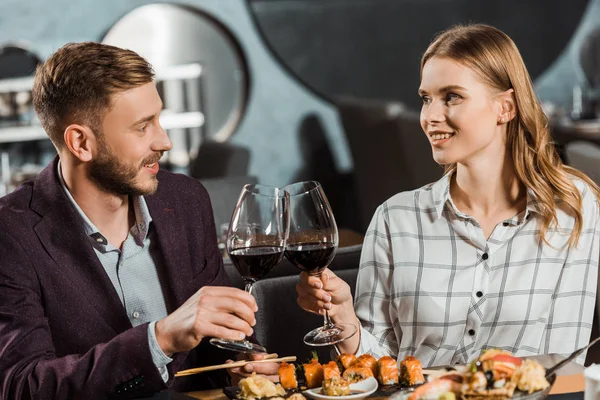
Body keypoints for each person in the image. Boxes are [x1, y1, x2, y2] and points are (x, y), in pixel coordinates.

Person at [297, 24, 600, 366]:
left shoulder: (570, 209)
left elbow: (564, 361)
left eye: (452, 96)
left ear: (506, 107)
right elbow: (376, 367)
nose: (430, 117)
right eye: (426, 99)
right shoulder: (394, 218)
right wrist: (346, 320)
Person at [0, 42, 277, 399]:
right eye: (143, 127)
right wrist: (159, 339)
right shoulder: (11, 234)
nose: (164, 141)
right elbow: (23, 386)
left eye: (158, 119)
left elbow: (218, 338)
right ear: (81, 142)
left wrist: (243, 361)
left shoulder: (186, 201)